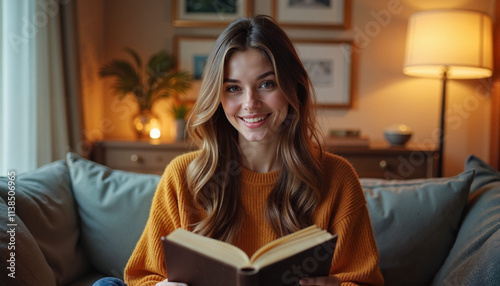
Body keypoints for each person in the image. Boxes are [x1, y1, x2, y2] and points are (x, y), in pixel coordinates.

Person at [96, 15, 384, 286]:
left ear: (293, 87)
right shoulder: (182, 175)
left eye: (266, 84)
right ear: (218, 97)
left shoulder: (337, 177)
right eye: (233, 88)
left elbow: (362, 280)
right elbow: (142, 276)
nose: (250, 103)